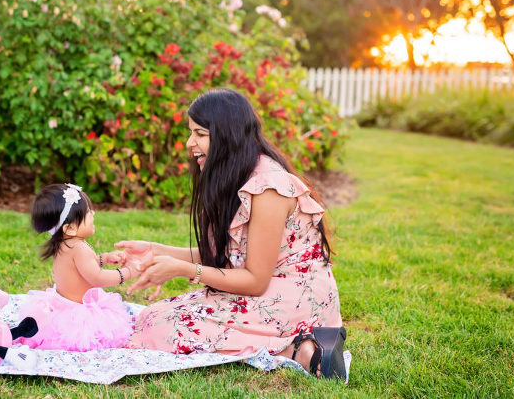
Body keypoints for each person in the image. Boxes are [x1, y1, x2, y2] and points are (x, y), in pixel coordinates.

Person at [116, 88, 346, 379]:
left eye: (200, 134)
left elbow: (254, 280)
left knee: (162, 330)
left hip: (292, 299)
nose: (190, 143)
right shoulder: (237, 172)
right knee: (151, 318)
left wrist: (185, 270)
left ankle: (301, 350)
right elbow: (229, 255)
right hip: (265, 290)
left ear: (227, 134)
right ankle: (296, 346)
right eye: (191, 133)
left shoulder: (268, 187)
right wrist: (154, 251)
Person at [12, 183, 137, 352]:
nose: (93, 213)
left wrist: (105, 258)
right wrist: (126, 273)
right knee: (100, 335)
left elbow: (80, 269)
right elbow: (96, 278)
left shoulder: (64, 244)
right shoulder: (78, 248)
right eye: (88, 212)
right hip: (77, 315)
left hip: (61, 306)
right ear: (69, 228)